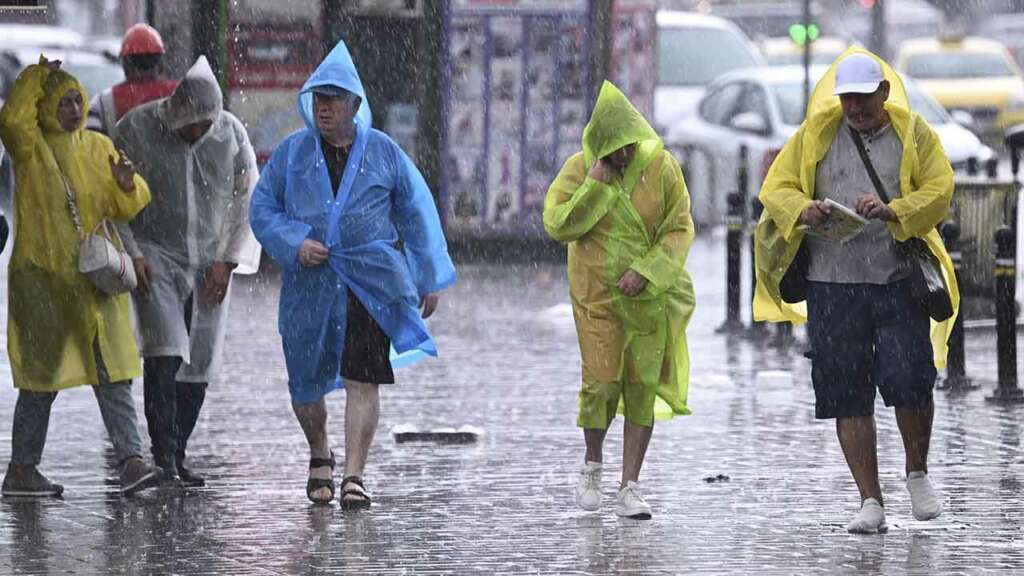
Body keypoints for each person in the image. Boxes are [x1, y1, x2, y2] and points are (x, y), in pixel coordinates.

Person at [754, 50, 959, 533]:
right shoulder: (816, 136)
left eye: (864, 99)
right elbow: (776, 188)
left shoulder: (914, 134)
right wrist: (802, 210)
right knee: (845, 392)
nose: (855, 109)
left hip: (895, 280)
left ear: (884, 93)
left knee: (909, 379)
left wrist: (894, 210)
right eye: (847, 100)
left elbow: (940, 189)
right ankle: (870, 499)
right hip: (832, 285)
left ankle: (917, 472)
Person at [249, 40, 456, 507]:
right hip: (310, 287)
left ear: (355, 104)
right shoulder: (292, 153)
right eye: (318, 98)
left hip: (370, 283)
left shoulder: (384, 153)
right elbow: (262, 207)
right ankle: (320, 451)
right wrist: (294, 242)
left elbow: (415, 213)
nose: (324, 108)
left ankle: (354, 475)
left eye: (334, 98)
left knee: (364, 377)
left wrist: (427, 275)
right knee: (306, 384)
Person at [0, 56, 159, 497]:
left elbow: (124, 205)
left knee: (112, 373)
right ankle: (21, 470)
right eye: (63, 101)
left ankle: (131, 462)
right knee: (40, 379)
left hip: (95, 281)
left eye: (77, 100)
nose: (73, 109)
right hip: (43, 284)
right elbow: (11, 122)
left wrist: (126, 184)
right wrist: (34, 78)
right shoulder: (29, 149)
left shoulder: (96, 146)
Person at [544, 81, 695, 520]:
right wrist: (595, 186)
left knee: (640, 387)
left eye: (630, 146)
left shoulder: (662, 169)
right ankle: (593, 464)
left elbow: (679, 227)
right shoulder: (580, 169)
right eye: (616, 148)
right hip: (596, 298)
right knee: (602, 382)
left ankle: (630, 484)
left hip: (648, 298)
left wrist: (647, 271)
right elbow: (559, 225)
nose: (625, 156)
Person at [113, 56, 261, 487]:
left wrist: (228, 259)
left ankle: (177, 451)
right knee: (164, 351)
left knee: (199, 361)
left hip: (210, 257)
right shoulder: (135, 129)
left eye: (202, 125)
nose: (194, 133)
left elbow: (246, 198)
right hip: (156, 252)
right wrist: (133, 252)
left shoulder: (230, 133)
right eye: (188, 125)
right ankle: (163, 456)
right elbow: (112, 198)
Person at [87, 23, 177, 137]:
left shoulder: (103, 101)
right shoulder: (178, 93)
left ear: (125, 64)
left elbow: (91, 143)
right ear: (160, 62)